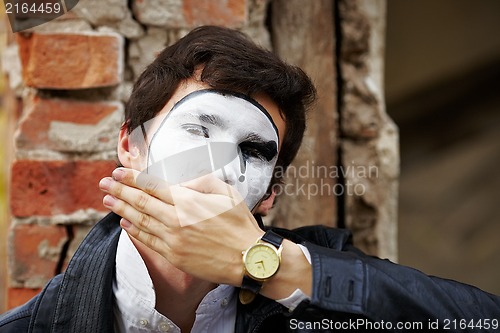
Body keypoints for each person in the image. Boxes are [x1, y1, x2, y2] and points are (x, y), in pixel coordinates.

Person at [1, 25, 499, 333]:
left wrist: (273, 268)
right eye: (199, 129)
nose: (219, 163)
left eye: (255, 150)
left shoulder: (320, 302)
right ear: (130, 146)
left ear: (269, 197)